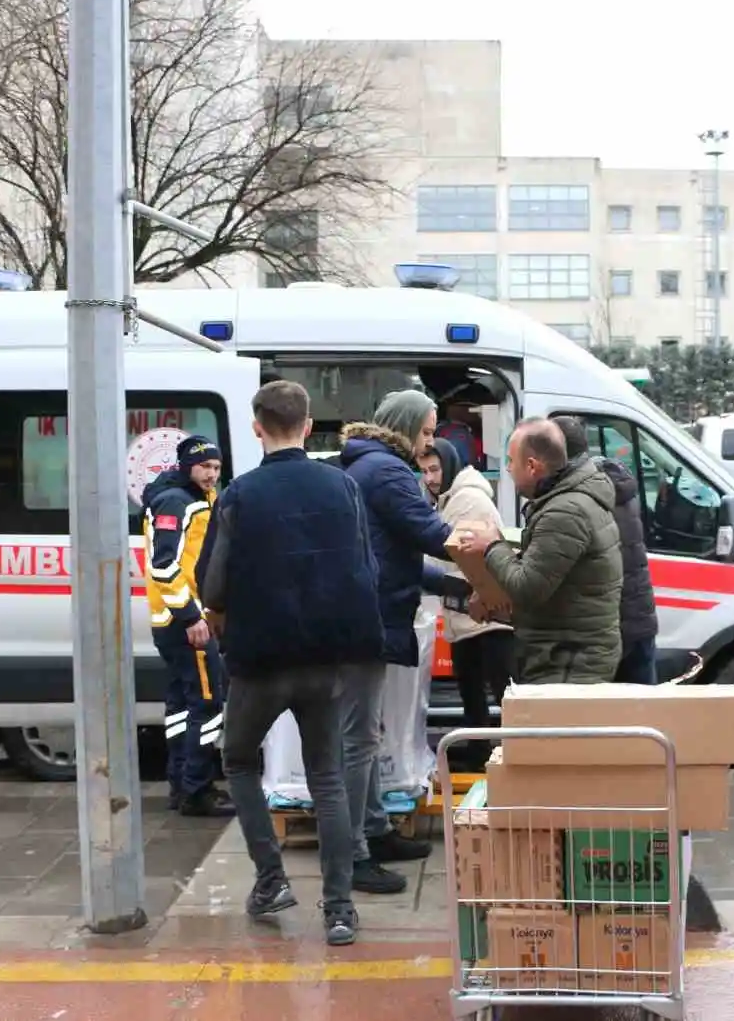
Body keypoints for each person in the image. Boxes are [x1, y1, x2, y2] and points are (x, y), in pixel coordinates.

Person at [200, 381, 375, 946]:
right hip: (325, 656)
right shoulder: (342, 486)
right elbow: (364, 566)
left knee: (239, 759)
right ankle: (341, 910)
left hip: (260, 657)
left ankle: (271, 879)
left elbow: (216, 583)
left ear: (257, 427)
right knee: (327, 776)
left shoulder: (239, 495)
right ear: (307, 426)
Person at [337, 389, 452, 892]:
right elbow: (431, 533)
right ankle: (355, 855)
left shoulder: (368, 465)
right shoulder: (386, 470)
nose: (429, 446)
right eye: (426, 433)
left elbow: (398, 555)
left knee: (364, 736)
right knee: (358, 740)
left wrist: (456, 584)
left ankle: (375, 829)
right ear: (405, 426)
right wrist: (489, 556)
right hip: (368, 618)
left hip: (367, 611)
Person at [454, 417, 622, 684]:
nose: (507, 469)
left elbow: (528, 588)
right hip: (562, 655)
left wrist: (491, 546)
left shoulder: (565, 512)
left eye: (510, 461)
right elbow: (549, 582)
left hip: (567, 663)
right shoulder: (563, 502)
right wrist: (492, 599)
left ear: (531, 466)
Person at [142, 435, 234, 818]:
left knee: (182, 704)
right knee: (209, 701)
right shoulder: (176, 503)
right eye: (204, 467)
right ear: (187, 466)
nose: (211, 474)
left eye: (216, 467)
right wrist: (192, 617)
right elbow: (164, 566)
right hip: (184, 622)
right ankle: (198, 789)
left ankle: (181, 783)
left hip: (178, 620)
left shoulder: (196, 497)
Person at [422, 438, 516, 770]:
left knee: (496, 692)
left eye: (434, 469)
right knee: (474, 693)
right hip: (469, 618)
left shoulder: (466, 500)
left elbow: (464, 559)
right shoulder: (450, 498)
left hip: (483, 616)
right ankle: (482, 754)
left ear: (449, 465)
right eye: (425, 472)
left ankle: (504, 757)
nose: (430, 478)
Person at [551, 415, 659, 684]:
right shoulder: (615, 481)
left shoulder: (579, 497)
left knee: (604, 718)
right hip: (639, 620)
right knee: (641, 715)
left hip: (605, 629)